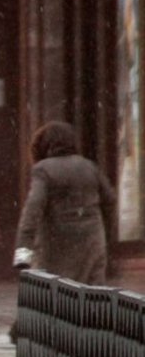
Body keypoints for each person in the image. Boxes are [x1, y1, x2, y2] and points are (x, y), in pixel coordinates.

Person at [13, 121, 115, 284]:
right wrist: (103, 233)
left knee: (58, 298)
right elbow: (110, 200)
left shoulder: (43, 170)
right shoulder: (89, 166)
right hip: (93, 242)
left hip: (57, 246)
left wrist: (22, 255)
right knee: (94, 297)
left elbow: (32, 212)